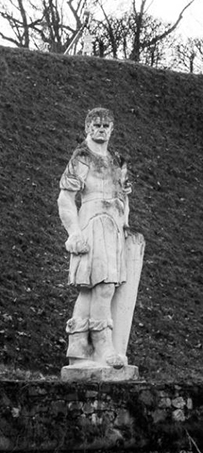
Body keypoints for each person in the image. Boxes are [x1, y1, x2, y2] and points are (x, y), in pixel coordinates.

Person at [57, 108, 131, 369]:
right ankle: (103, 345)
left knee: (92, 290)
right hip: (92, 221)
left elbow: (124, 196)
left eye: (106, 125)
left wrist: (125, 226)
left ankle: (78, 349)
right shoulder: (82, 157)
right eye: (96, 124)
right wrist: (74, 233)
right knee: (102, 286)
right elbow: (66, 198)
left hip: (114, 226)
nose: (101, 129)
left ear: (112, 129)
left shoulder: (117, 160)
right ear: (87, 127)